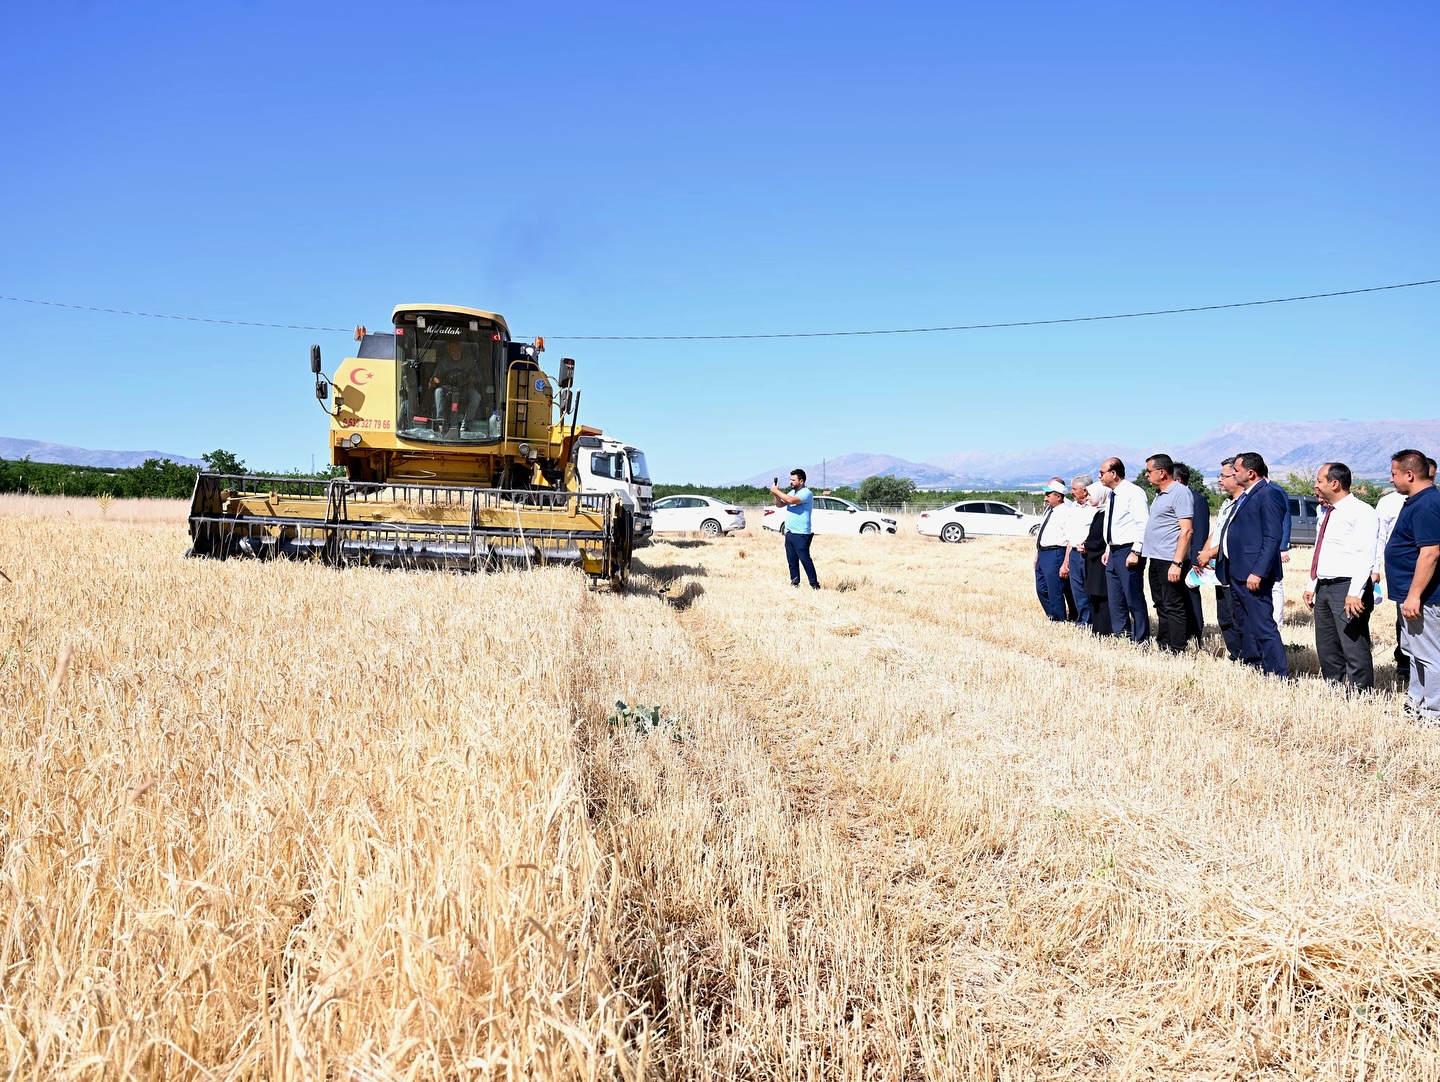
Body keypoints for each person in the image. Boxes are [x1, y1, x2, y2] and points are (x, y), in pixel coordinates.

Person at [1303, 461, 1379, 690]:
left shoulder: (1362, 512)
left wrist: (1355, 593)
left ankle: (1360, 694)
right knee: (1327, 645)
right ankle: (1334, 688)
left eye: (1319, 480)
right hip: (1324, 587)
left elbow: (1366, 554)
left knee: (1353, 644)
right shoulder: (1326, 512)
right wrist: (1312, 584)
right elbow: (1321, 550)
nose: (1316, 485)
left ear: (1334, 483)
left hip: (1347, 587)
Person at [1211, 451, 1287, 677]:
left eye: (1236, 470)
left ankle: (1276, 673)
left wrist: (1258, 571)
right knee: (1245, 623)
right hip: (1237, 571)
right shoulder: (1247, 495)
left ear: (1251, 473)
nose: (1233, 474)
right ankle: (1254, 664)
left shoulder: (1268, 494)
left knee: (1262, 624)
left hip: (1253, 574)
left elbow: (1272, 537)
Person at [1384, 449, 1440, 723]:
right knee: (1415, 653)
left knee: (1430, 656)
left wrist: (1415, 595)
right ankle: (1415, 704)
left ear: (1409, 474)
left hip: (1425, 599)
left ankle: (1433, 713)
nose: (1391, 479)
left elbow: (1430, 553)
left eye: (1394, 474)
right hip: (1412, 596)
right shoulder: (1416, 501)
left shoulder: (1427, 505)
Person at [1139, 454, 1195, 653]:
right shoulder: (1160, 494)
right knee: (1161, 603)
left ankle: (1177, 648)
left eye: (1149, 471)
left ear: (1162, 472)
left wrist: (1177, 562)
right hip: (1155, 558)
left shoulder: (1180, 493)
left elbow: (1186, 530)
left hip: (1170, 559)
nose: (1146, 475)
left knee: (1173, 604)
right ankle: (1164, 644)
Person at [1099, 457, 1150, 642]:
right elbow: (1113, 524)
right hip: (1113, 551)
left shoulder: (1133, 493)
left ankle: (1140, 638)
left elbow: (1143, 524)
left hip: (1128, 550)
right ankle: (1121, 635)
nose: (1099, 477)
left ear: (1113, 473)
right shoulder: (1112, 494)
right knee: (1115, 599)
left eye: (1102, 473)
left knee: (1133, 598)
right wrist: (1107, 548)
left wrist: (1136, 551)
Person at [1209, 458, 1246, 661]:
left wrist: (1210, 553)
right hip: (1219, 568)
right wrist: (1204, 553)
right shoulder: (1226, 503)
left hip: (1235, 568)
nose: (1220, 480)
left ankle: (1245, 656)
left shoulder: (1243, 505)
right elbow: (1218, 531)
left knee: (1237, 616)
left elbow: (1231, 541)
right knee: (1224, 616)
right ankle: (1235, 655)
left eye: (1223, 476)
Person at [1375, 483, 1410, 688]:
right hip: (1400, 572)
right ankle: (1404, 662)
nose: (1390, 479)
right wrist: (1375, 567)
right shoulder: (1388, 503)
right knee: (1404, 617)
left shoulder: (1430, 502)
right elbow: (1379, 538)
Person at [1174, 463, 1210, 644]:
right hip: (1174, 557)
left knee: (1191, 595)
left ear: (1178, 480)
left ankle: (1195, 634)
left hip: (1190, 559)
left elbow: (1201, 529)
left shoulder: (1197, 499)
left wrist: (1198, 558)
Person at [769, 469, 820, 589]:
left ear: (801, 481)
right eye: (790, 479)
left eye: (793, 480)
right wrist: (776, 494)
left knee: (805, 560)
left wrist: (777, 491)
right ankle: (794, 583)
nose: (791, 482)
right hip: (790, 533)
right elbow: (780, 504)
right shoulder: (792, 492)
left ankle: (814, 585)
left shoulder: (806, 493)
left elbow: (790, 501)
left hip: (801, 534)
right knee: (792, 561)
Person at [1058, 473, 1094, 627]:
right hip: (1073, 552)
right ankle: (1082, 621)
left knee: (1089, 590)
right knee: (1077, 590)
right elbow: (1070, 536)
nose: (1071, 492)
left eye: (1074, 489)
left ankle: (1092, 622)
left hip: (1088, 554)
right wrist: (1066, 560)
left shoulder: (1095, 507)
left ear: (1084, 490)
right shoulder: (1073, 506)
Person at [1032, 479, 1069, 621]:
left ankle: (1059, 619)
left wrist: (1065, 560)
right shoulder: (1049, 511)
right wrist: (1038, 553)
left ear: (1058, 496)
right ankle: (1052, 614)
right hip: (1043, 553)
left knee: (1055, 590)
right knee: (1041, 588)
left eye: (1048, 494)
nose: (1045, 497)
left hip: (1055, 553)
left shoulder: (1065, 512)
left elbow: (1069, 538)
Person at [430, 340, 482, 435]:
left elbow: (478, 377)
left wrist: (473, 378)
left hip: (465, 388)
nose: (455, 349)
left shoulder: (469, 360)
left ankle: (466, 424)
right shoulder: (443, 360)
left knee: (476, 396)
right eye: (452, 347)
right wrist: (435, 380)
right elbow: (436, 377)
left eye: (457, 346)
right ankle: (440, 421)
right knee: (438, 391)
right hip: (448, 388)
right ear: (449, 349)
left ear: (460, 347)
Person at [1080, 482, 1112, 635]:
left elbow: (1101, 540)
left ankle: (1105, 630)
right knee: (1094, 597)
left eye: (1090, 494)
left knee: (1102, 597)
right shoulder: (1099, 513)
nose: (1088, 497)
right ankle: (1097, 629)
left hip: (1101, 562)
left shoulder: (1107, 514)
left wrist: (1087, 546)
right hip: (1092, 561)